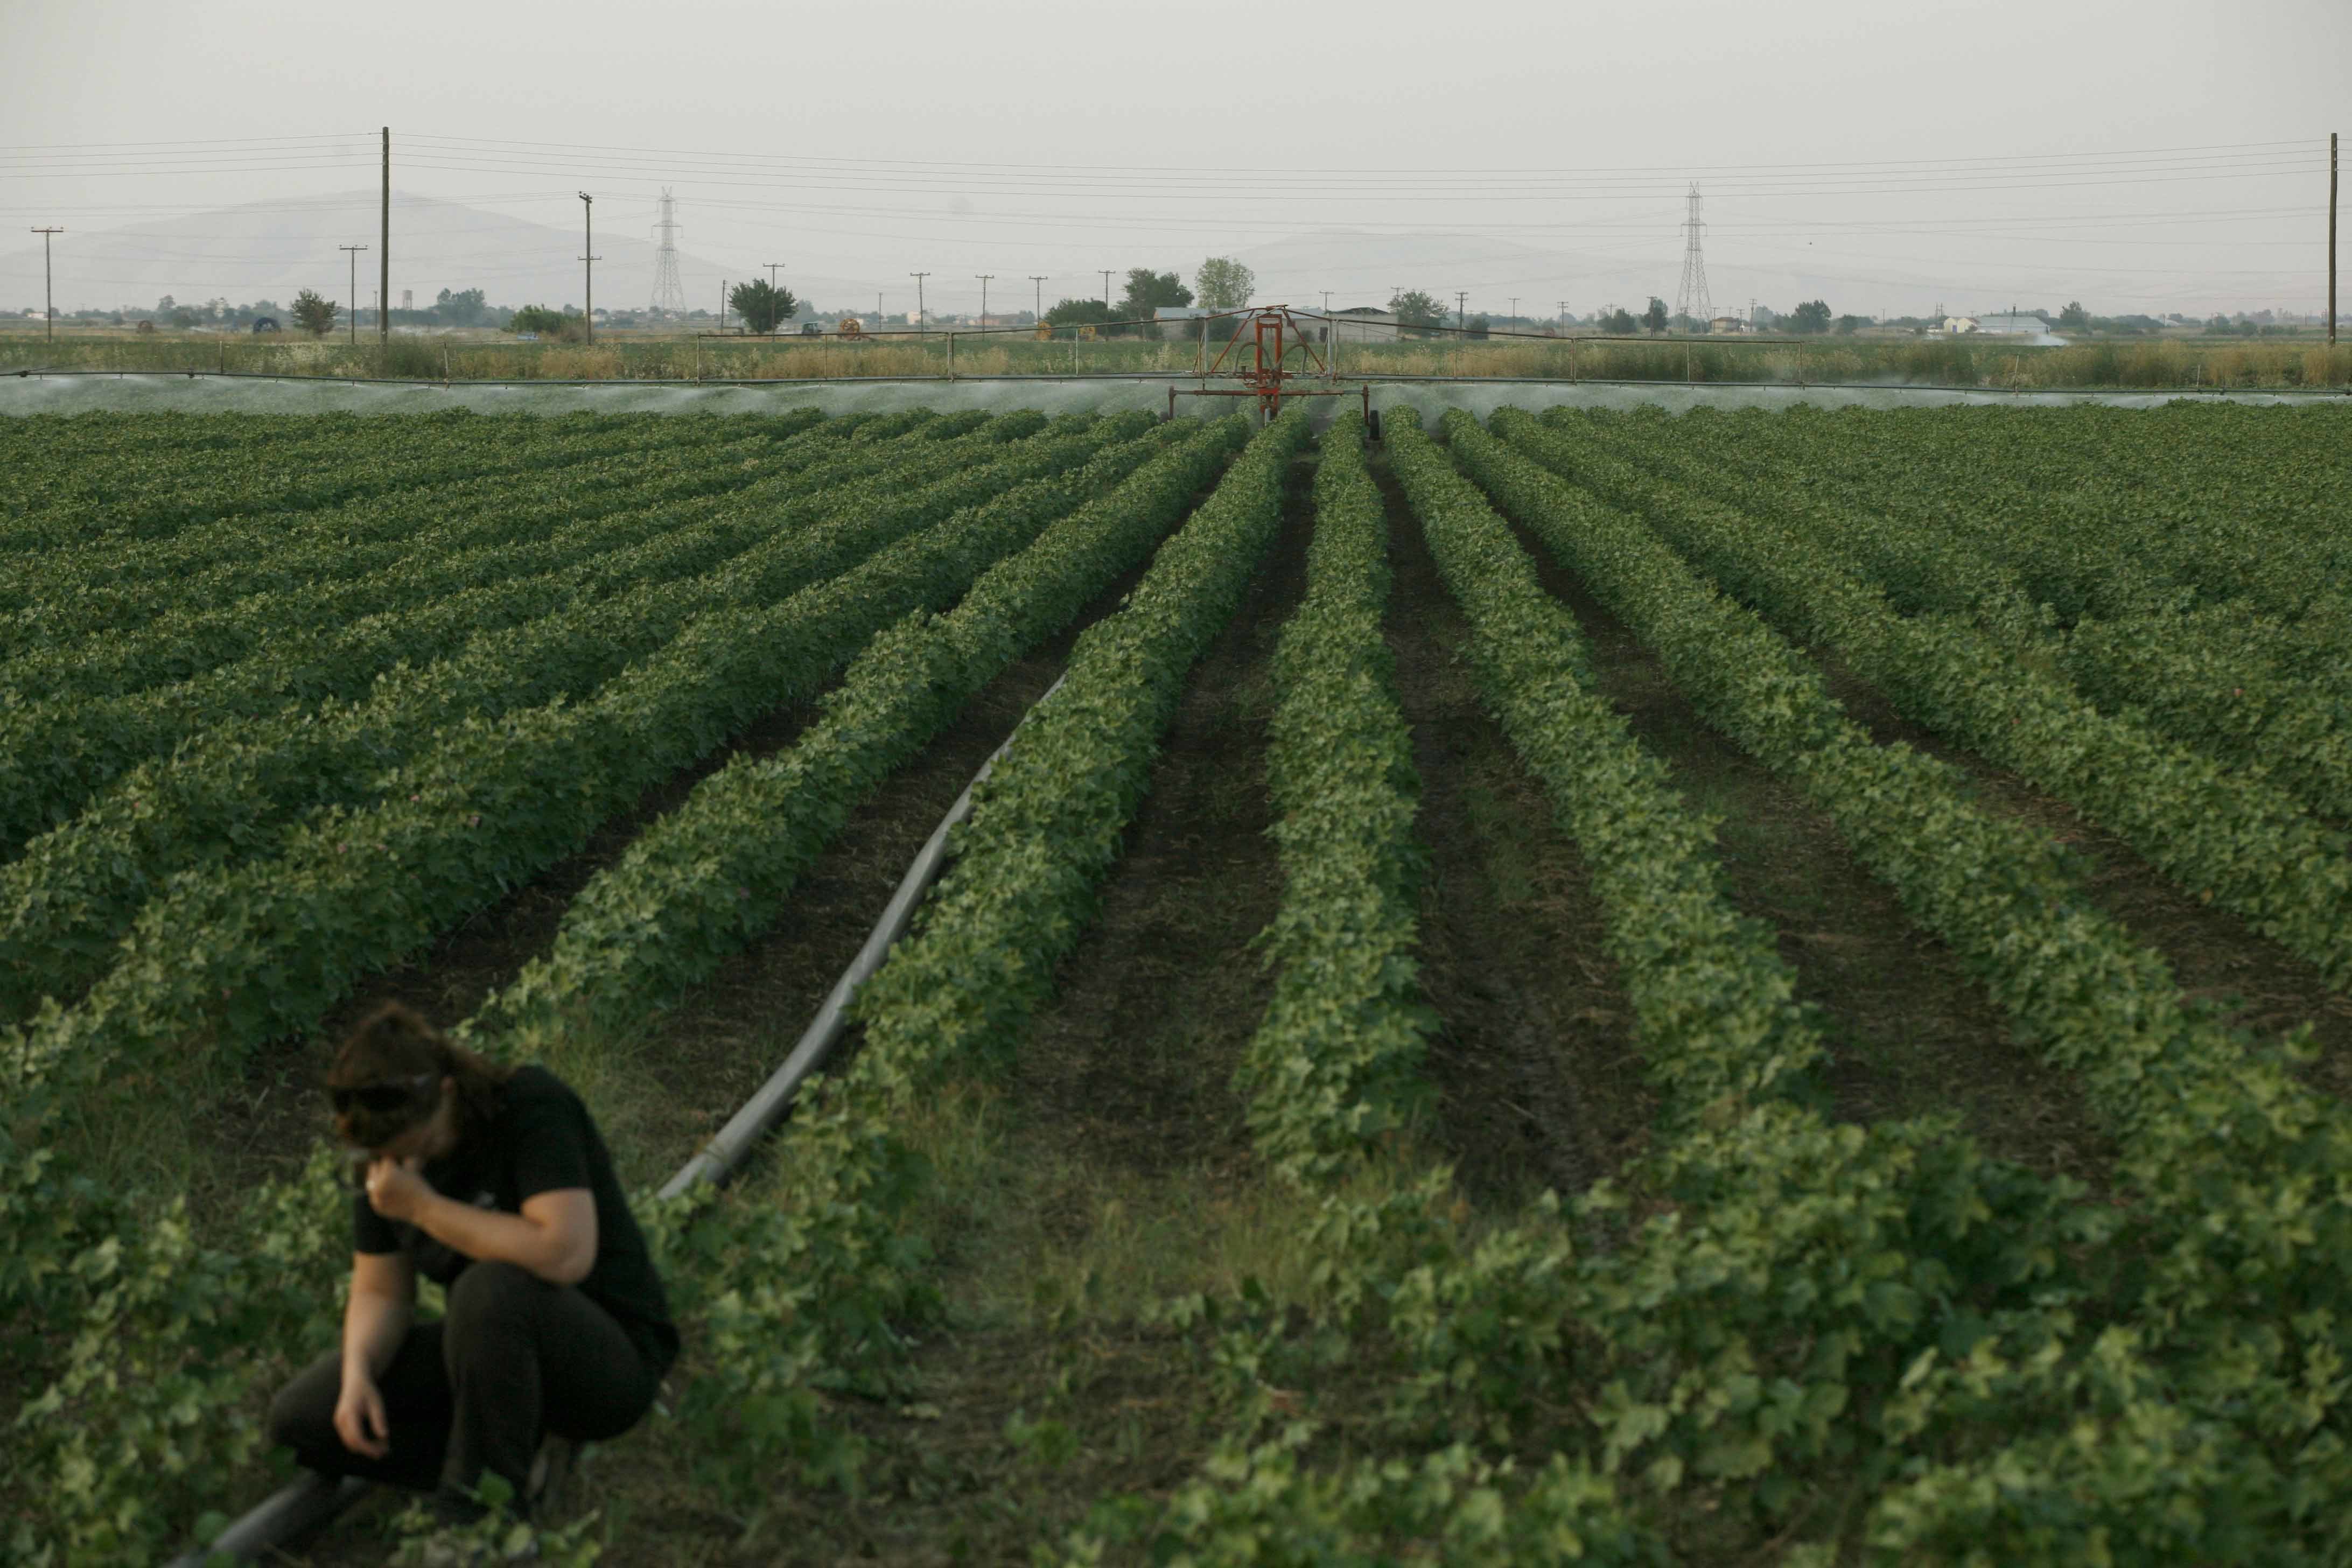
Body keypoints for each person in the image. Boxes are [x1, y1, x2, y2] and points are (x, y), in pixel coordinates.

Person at [267, 1002, 678, 1527]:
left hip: (607, 1356)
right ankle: (509, 1454)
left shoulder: (529, 1106)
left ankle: (480, 1521)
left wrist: (423, 1206)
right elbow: (382, 1292)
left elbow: (565, 1252)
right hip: (493, 1350)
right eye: (392, 1154)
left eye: (423, 1144)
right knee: (303, 1420)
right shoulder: (382, 1157)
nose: (408, 1163)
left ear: (447, 1092)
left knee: (490, 1287)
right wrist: (358, 1374)